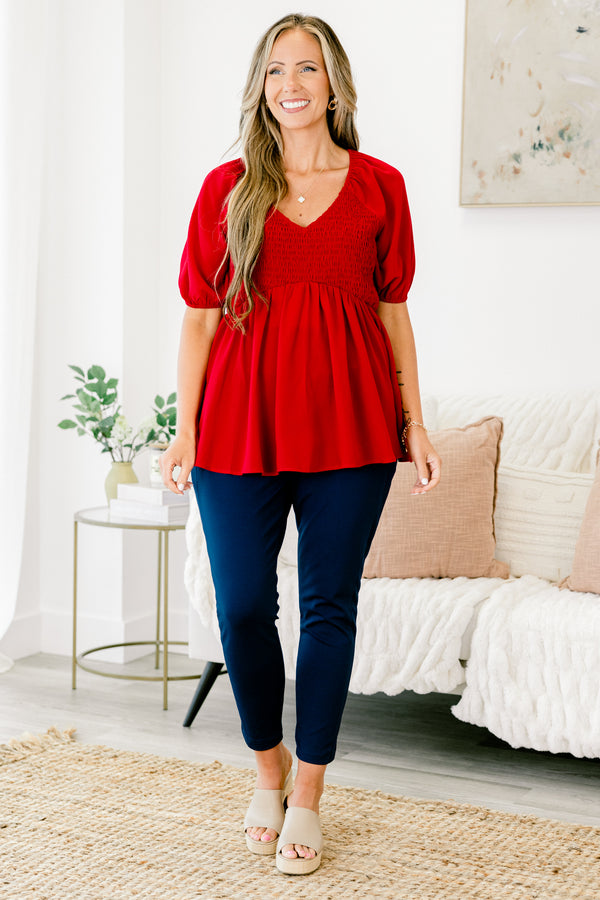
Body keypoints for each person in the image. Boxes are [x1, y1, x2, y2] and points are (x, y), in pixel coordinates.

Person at [161, 12, 441, 876]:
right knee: (243, 606)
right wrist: (184, 428)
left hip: (352, 430)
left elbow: (393, 313)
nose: (291, 84)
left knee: (329, 609)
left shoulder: (381, 186)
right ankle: (268, 770)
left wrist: (415, 421)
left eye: (307, 68)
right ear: (261, 87)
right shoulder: (227, 188)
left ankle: (310, 794)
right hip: (236, 428)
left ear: (334, 84)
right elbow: (200, 320)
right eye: (277, 70)